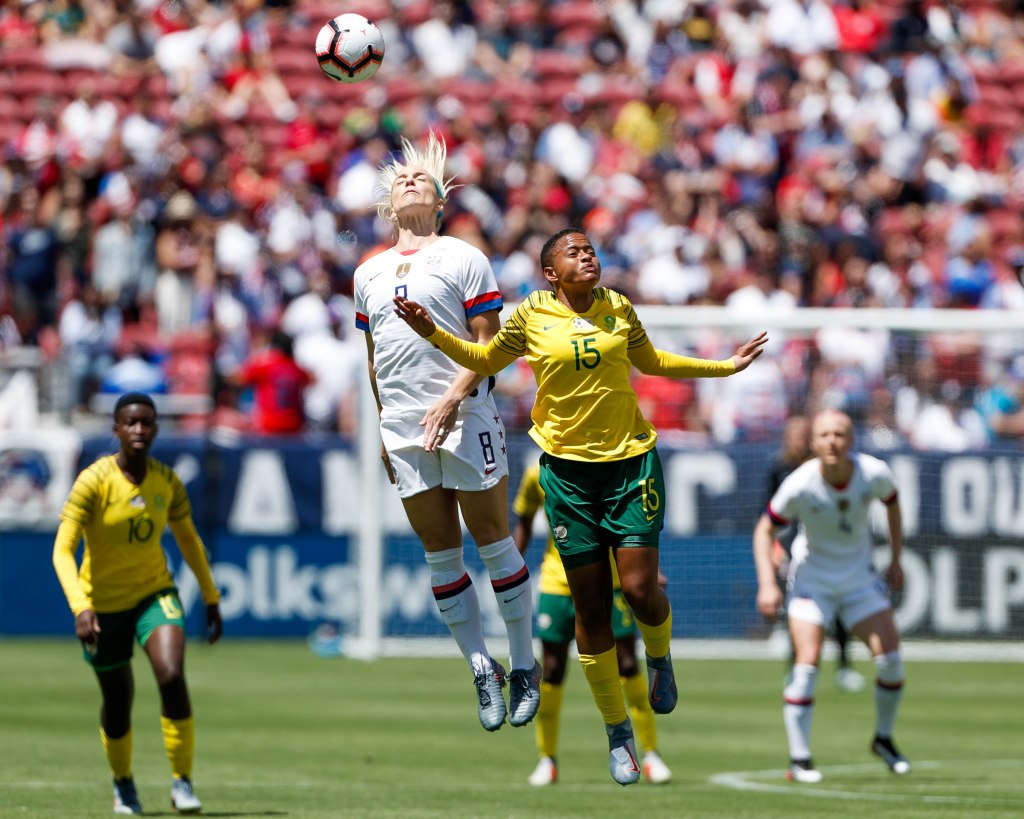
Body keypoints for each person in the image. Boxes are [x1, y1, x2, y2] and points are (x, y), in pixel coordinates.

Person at [393, 226, 767, 785]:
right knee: (590, 613)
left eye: (591, 249)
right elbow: (484, 360)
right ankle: (617, 732)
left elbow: (655, 363)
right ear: (551, 273)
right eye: (574, 251)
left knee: (641, 591)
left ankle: (660, 659)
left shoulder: (619, 306)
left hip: (631, 463)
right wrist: (432, 334)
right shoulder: (528, 317)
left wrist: (725, 367)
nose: (588, 255)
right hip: (567, 477)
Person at [354, 132, 540, 733]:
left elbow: (492, 344)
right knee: (440, 553)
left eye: (422, 179)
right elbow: (373, 356)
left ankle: (525, 663)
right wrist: (386, 428)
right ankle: (481, 668)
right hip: (403, 425)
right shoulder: (368, 273)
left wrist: (454, 398)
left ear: (440, 202)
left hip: (465, 414)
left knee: (492, 537)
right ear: (388, 203)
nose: (411, 181)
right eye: (401, 178)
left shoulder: (464, 256)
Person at [52, 392, 223, 815]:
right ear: (116, 429)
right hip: (103, 606)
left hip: (155, 594)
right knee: (117, 698)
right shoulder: (93, 481)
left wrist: (211, 596)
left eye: (146, 422)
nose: (139, 430)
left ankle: (182, 781)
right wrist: (80, 606)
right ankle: (123, 784)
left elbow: (189, 541)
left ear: (156, 428)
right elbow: (62, 550)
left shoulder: (166, 481)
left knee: (170, 674)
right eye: (130, 423)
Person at [753, 409, 910, 784]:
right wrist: (767, 584)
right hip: (813, 583)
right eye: (823, 435)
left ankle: (884, 739)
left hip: (859, 581)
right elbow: (764, 531)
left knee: (890, 663)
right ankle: (800, 759)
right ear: (813, 443)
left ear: (851, 440)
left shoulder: (873, 472)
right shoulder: (800, 483)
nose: (832, 442)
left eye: (839, 434)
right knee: (806, 666)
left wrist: (897, 558)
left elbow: (893, 505)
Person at [513, 462, 673, 787]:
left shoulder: (613, 462)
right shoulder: (536, 474)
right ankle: (547, 758)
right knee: (554, 669)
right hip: (557, 583)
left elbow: (630, 523)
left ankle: (651, 753)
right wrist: (510, 571)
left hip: (612, 580)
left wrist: (647, 573)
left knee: (628, 663)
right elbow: (525, 523)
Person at [767, 414, 867, 693]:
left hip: (820, 540)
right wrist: (775, 545)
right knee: (796, 609)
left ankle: (845, 668)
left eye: (803, 434)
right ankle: (794, 670)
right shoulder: (780, 468)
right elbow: (768, 513)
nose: (799, 439)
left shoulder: (822, 467)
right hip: (790, 544)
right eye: (795, 434)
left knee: (839, 606)